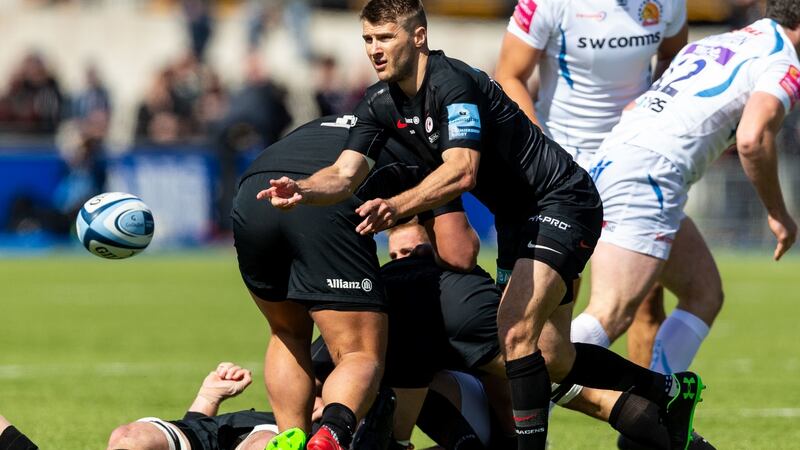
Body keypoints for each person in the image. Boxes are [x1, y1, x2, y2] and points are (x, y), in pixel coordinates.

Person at [262, 3, 706, 449]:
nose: (375, 50)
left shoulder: (452, 83)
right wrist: (303, 188)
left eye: (385, 38)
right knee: (551, 357)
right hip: (517, 220)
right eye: (368, 40)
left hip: (562, 200)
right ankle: (669, 391)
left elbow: (462, 171)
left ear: (418, 37)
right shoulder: (380, 102)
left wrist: (396, 207)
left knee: (514, 333)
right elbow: (344, 173)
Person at [232, 113, 479, 450]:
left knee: (287, 332)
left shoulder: (344, 119)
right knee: (359, 353)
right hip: (321, 198)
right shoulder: (430, 150)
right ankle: (331, 435)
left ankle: (292, 438)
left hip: (255, 192)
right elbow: (460, 253)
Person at [583, 2, 799, 378]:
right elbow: (752, 139)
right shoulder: (784, 62)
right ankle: (516, 412)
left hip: (618, 155)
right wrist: (779, 214)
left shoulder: (718, 41)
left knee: (704, 292)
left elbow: (638, 104)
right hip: (649, 173)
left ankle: (655, 415)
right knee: (610, 314)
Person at [493, 0, 689, 367]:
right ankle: (535, 407)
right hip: (567, 165)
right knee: (555, 303)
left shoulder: (669, 3)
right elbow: (509, 75)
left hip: (634, 158)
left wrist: (654, 109)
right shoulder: (548, 4)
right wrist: (541, 150)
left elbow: (675, 61)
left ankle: (643, 421)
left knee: (645, 302)